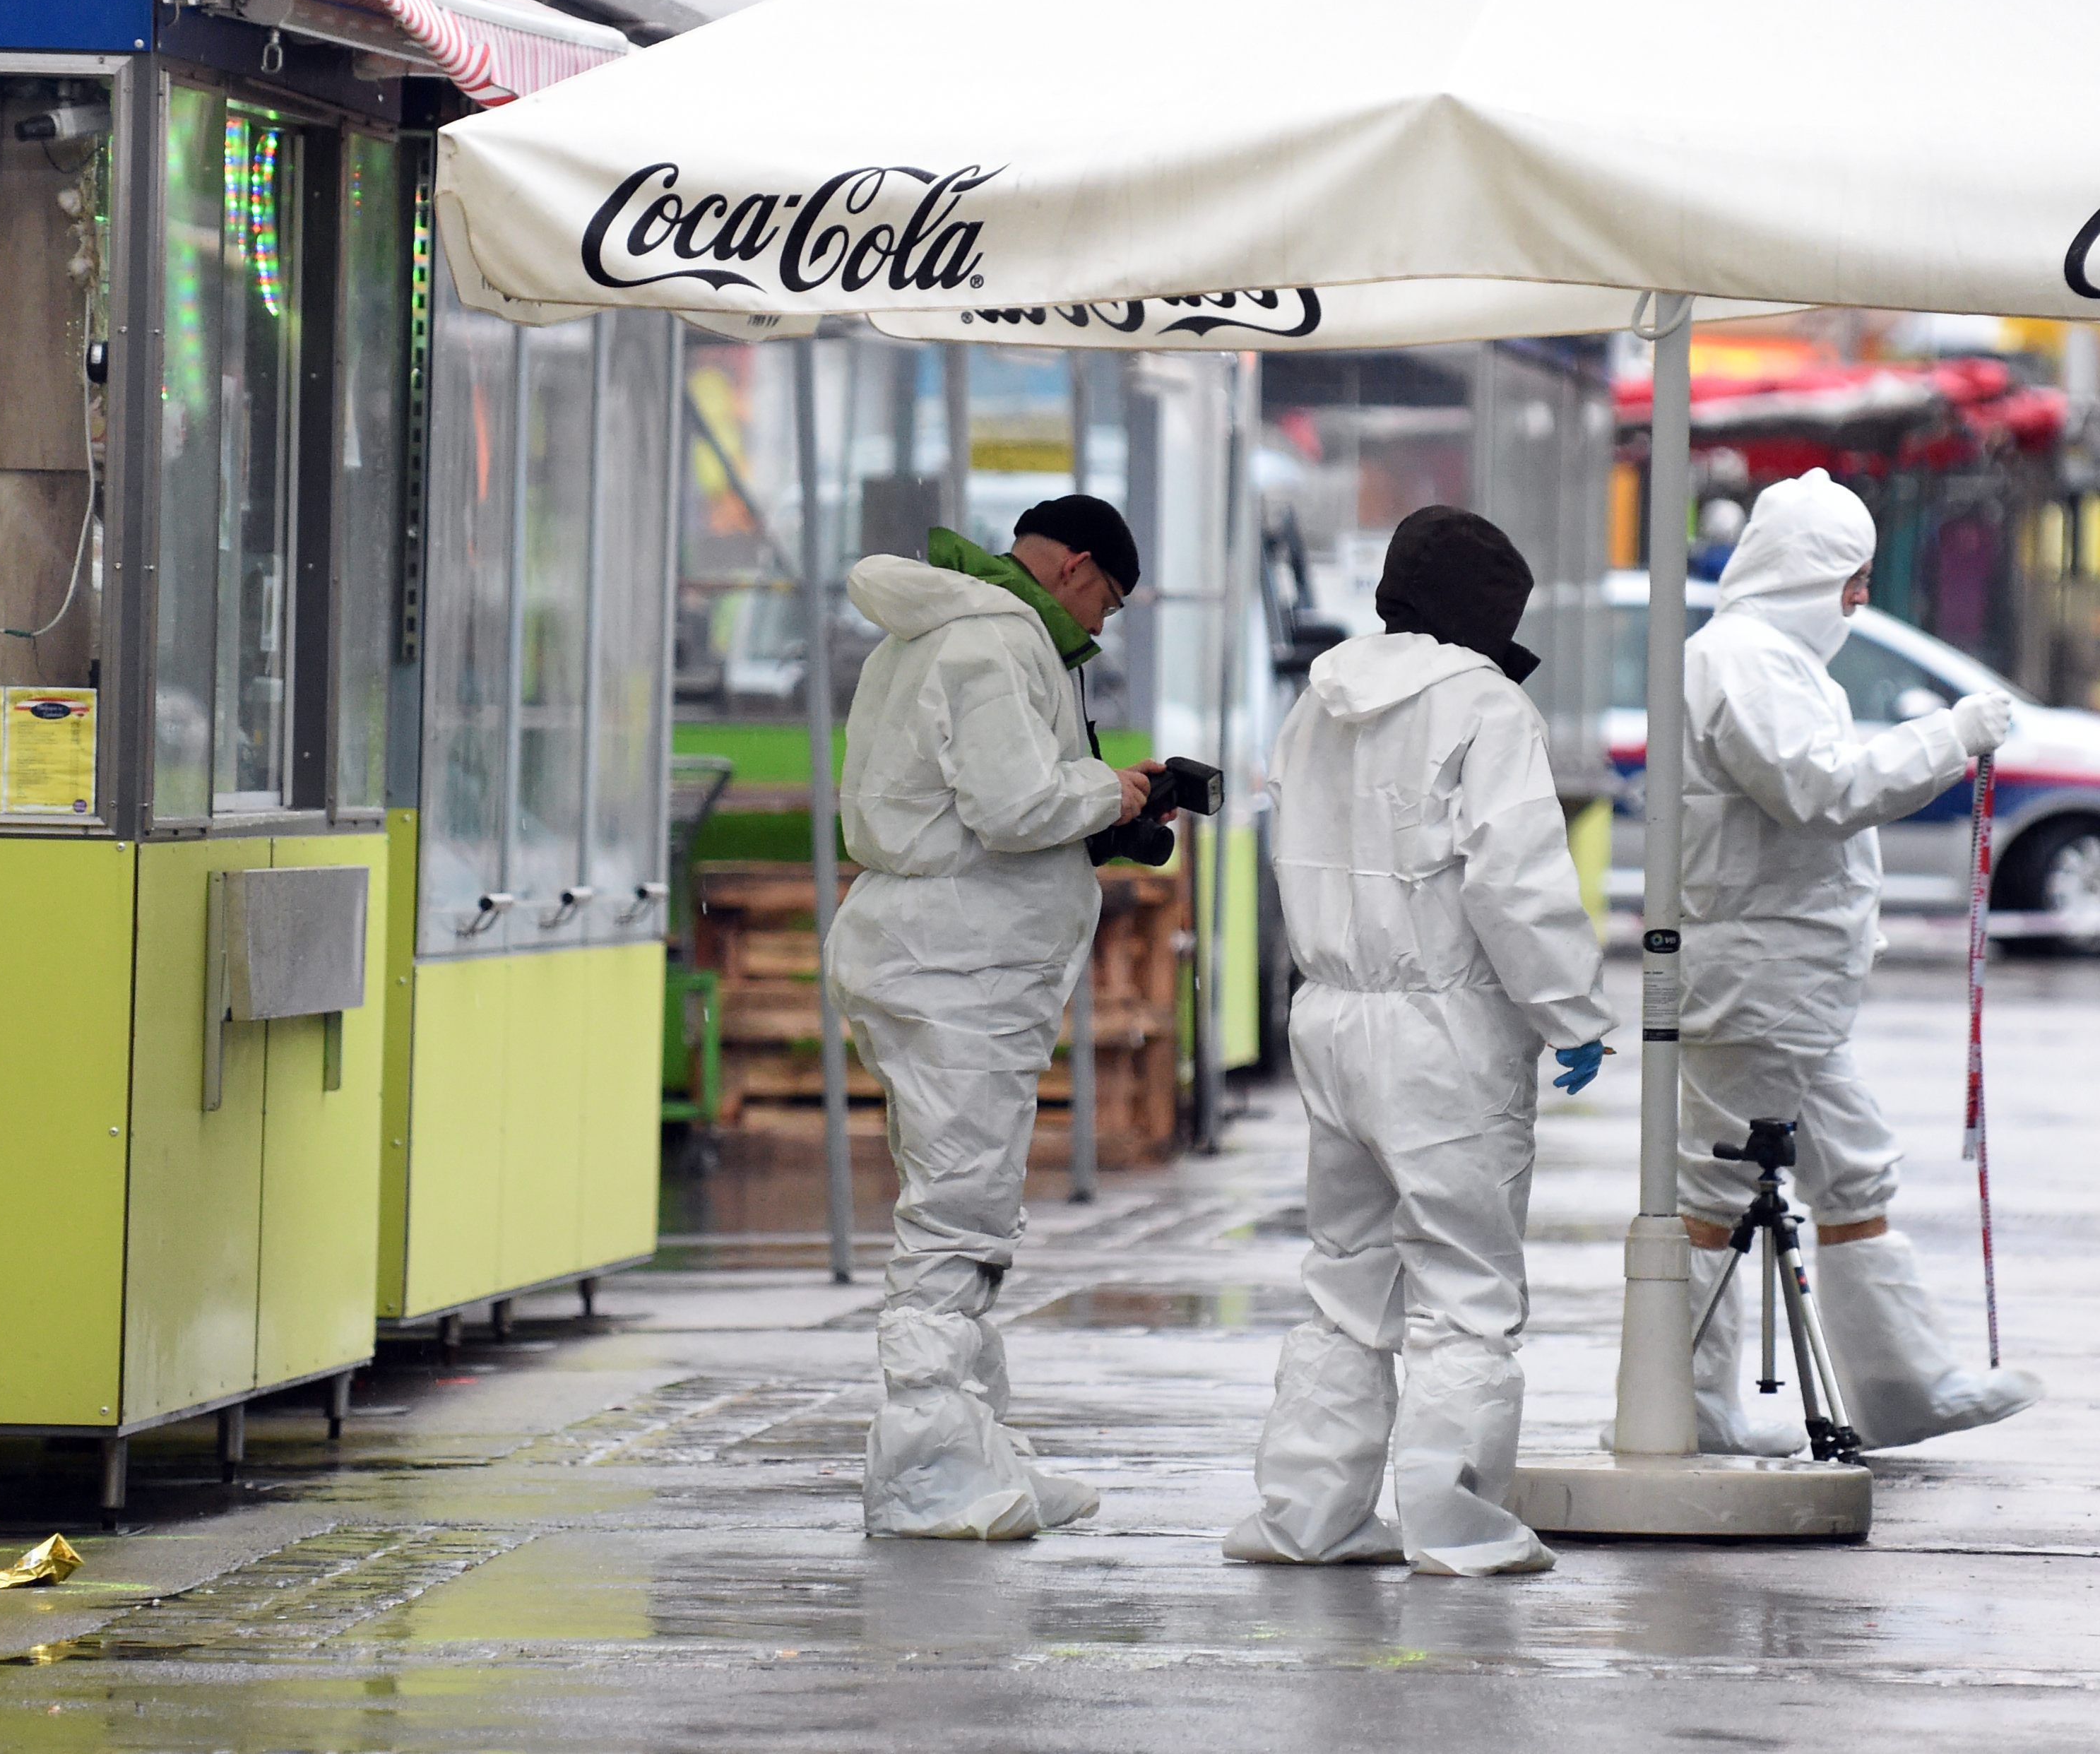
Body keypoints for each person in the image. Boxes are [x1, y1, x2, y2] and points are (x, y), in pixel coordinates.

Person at [1226, 506, 1613, 1579]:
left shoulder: (1318, 705)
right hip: (1444, 1027)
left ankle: (1310, 1513)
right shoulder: (1486, 706)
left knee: (1345, 1278)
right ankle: (1457, 1525)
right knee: (1465, 1285)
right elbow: (1516, 882)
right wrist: (1573, 1014)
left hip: (1332, 1013)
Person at [1677, 468, 2041, 1454]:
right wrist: (1950, 736)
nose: (1860, 601)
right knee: (1716, 1195)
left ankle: (1904, 1385)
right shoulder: (1741, 661)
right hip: (1753, 982)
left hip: (1786, 986)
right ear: (1805, 572)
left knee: (1854, 1171)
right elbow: (1818, 790)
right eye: (1851, 578)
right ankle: (1689, 1415)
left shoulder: (1781, 664)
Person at [827, 494, 1168, 1540]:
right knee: (956, 1214)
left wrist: (1094, 806)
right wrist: (1111, 792)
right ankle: (927, 1473)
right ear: (1073, 568)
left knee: (972, 1206)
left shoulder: (952, 633)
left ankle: (975, 1446)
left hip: (949, 954)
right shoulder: (990, 644)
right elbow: (1013, 806)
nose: (1103, 627)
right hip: (958, 964)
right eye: (1107, 601)